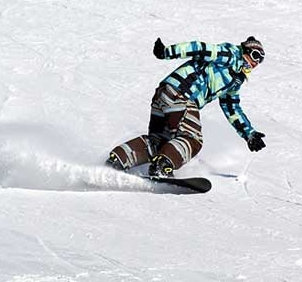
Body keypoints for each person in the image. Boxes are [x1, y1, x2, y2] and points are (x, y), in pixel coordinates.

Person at [106, 36, 266, 177]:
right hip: (182, 94)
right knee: (192, 139)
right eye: (255, 55)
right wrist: (167, 52)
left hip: (163, 95)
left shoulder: (235, 80)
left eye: (260, 60)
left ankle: (118, 160)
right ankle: (162, 166)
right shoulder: (229, 55)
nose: (256, 62)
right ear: (245, 50)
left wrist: (249, 134)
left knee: (160, 143)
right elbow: (199, 48)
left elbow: (231, 107)